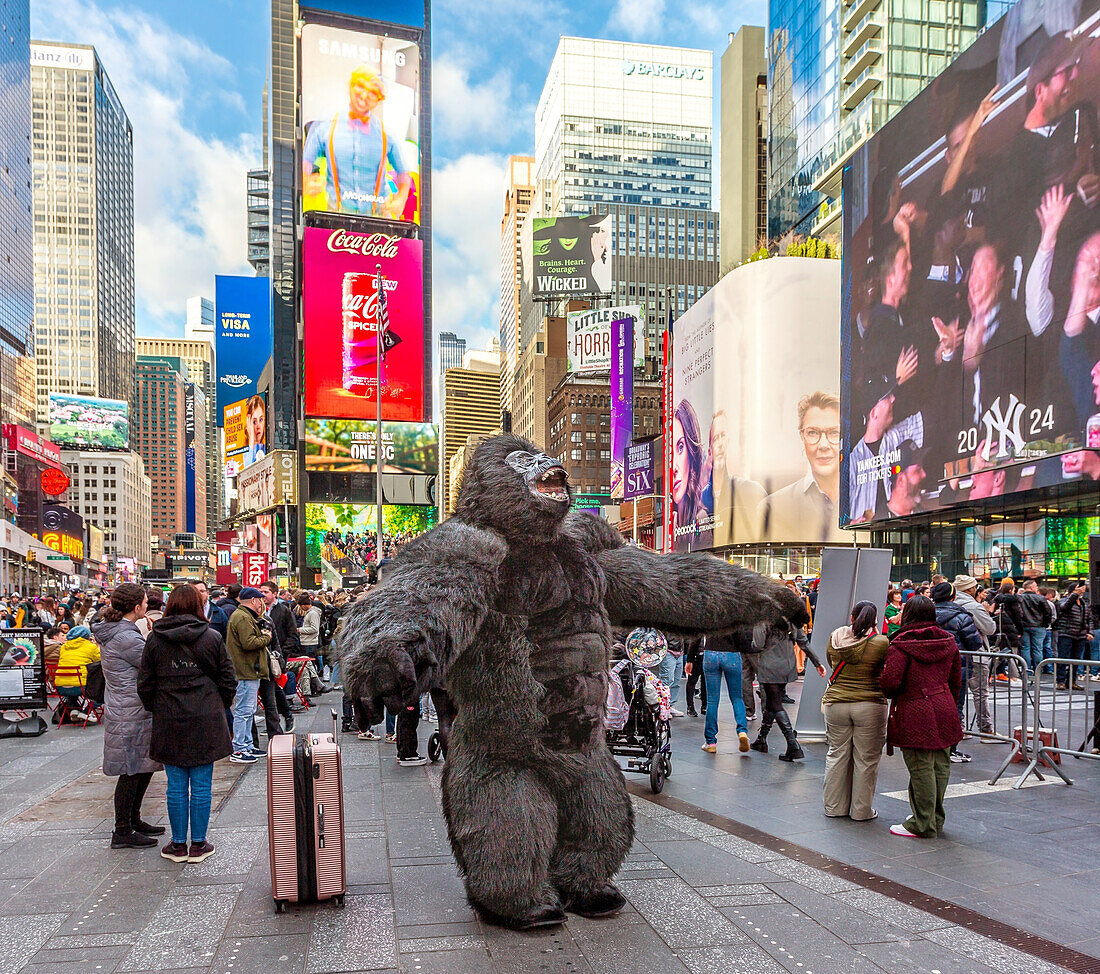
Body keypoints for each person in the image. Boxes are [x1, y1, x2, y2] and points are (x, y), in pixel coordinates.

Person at [139, 583, 238, 864]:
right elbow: (228, 680)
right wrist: (218, 705)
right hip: (205, 716)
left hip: (169, 717)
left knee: (176, 785)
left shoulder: (155, 639)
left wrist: (156, 707)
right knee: (203, 784)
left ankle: (178, 844)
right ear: (198, 604)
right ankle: (198, 844)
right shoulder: (211, 637)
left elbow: (144, 683)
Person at [881, 595, 964, 839]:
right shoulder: (948, 641)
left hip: (915, 708)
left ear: (908, 615)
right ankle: (934, 818)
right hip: (945, 704)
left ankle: (922, 823)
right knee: (940, 764)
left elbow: (890, 683)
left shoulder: (901, 644)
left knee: (920, 765)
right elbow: (956, 680)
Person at [93, 583, 163, 850]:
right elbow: (151, 663)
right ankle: (122, 830)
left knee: (141, 766)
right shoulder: (125, 637)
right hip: (130, 710)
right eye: (145, 602)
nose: (148, 605)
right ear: (137, 607)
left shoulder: (121, 631)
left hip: (127, 707)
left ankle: (134, 820)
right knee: (131, 770)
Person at [302, 64, 417, 219]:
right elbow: (305, 162)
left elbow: (403, 172)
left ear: (379, 100)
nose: (364, 95)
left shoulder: (387, 135)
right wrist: (306, 181)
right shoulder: (324, 127)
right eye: (361, 86)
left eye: (372, 93)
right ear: (351, 85)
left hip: (378, 217)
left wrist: (401, 199)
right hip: (336, 214)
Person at [822, 601, 889, 821]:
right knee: (866, 759)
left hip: (837, 703)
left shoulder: (835, 637)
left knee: (836, 754)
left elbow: (832, 663)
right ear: (875, 620)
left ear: (852, 617)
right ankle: (861, 811)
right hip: (870, 704)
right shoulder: (881, 642)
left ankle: (834, 808)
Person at [758, 392, 844, 543]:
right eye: (813, 433)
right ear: (802, 437)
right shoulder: (771, 508)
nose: (823, 445)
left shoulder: (867, 501)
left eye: (834, 433)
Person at [749, 623, 825, 761]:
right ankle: (761, 739)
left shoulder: (763, 617)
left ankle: (793, 745)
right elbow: (803, 641)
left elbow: (758, 644)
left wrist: (751, 643)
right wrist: (817, 662)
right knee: (773, 702)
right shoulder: (791, 616)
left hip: (769, 666)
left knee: (776, 704)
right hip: (787, 665)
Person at [930, 581, 984, 764]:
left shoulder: (925, 614)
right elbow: (975, 643)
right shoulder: (962, 616)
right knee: (954, 708)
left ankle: (934, 744)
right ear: (953, 596)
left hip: (930, 669)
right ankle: (950, 748)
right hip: (956, 669)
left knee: (931, 707)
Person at [225, 587, 272, 764]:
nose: (262, 603)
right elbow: (249, 642)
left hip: (248, 669)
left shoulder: (242, 615)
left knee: (248, 710)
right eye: (260, 599)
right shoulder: (243, 617)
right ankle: (239, 748)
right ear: (253, 600)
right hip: (245, 670)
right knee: (243, 711)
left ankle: (247, 745)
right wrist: (266, 637)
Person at [953, 574, 996, 736]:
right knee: (980, 693)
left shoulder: (951, 604)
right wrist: (986, 612)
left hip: (956, 654)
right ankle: (986, 729)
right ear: (970, 589)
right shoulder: (973, 606)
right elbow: (990, 628)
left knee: (958, 693)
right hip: (975, 654)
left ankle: (960, 727)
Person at [670, 399, 713, 550]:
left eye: (680, 447)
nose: (674, 467)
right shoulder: (673, 521)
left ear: (692, 453)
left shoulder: (701, 519)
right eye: (669, 453)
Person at [699, 630, 750, 755]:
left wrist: (689, 659)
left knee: (712, 701)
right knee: (737, 698)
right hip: (731, 654)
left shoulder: (708, 612)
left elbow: (697, 633)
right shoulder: (734, 612)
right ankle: (742, 731)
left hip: (710, 653)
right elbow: (743, 636)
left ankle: (710, 743)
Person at [55, 624, 100, 724]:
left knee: (73, 679)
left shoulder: (64, 647)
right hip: (80, 687)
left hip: (61, 687)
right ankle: (87, 711)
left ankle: (74, 708)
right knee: (103, 690)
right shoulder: (90, 647)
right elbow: (100, 661)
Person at [1054, 580, 1093, 690]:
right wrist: (1074, 594)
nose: (1081, 589)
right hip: (1066, 633)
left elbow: (1089, 619)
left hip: (1080, 635)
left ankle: (1071, 680)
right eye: (1077, 588)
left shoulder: (1084, 603)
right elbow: (1064, 608)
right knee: (1063, 657)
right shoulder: (1064, 601)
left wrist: (1090, 632)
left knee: (1076, 659)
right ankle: (1060, 681)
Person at [1019, 579, 1054, 672]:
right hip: (1038, 626)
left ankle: (1027, 670)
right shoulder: (1040, 598)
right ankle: (1038, 669)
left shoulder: (1019, 598)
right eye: (1036, 586)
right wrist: (1045, 624)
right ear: (1031, 587)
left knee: (1025, 648)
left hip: (1024, 626)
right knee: (1038, 649)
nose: (1037, 588)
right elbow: (1048, 612)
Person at [682, 637, 706, 718]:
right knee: (693, 682)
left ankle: (702, 706)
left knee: (703, 682)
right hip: (698, 655)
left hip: (701, 654)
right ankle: (691, 706)